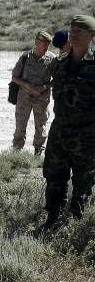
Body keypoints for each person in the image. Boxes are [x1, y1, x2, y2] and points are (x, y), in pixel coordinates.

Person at [41, 15, 95, 231]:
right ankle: (52, 220)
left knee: (84, 181)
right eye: (71, 30)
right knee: (54, 176)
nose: (73, 34)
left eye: (79, 31)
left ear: (92, 36)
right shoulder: (60, 63)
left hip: (87, 134)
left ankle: (75, 226)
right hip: (59, 130)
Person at [10, 30, 55, 156]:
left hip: (42, 100)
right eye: (44, 45)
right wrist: (28, 85)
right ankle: (16, 154)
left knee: (41, 127)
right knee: (20, 127)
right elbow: (14, 77)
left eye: (48, 45)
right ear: (36, 43)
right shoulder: (25, 57)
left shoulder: (51, 59)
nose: (46, 48)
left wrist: (44, 87)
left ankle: (38, 153)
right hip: (24, 98)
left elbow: (57, 79)